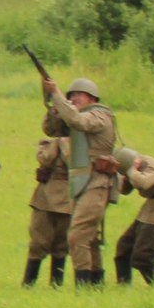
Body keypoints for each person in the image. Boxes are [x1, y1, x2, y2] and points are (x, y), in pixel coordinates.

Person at [43, 77, 119, 286]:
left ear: (92, 97)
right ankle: (95, 285)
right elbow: (50, 129)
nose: (74, 98)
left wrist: (58, 95)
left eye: (79, 94)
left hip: (97, 182)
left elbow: (78, 122)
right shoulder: (76, 115)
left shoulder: (100, 115)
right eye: (71, 95)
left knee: (77, 236)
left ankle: (83, 285)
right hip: (80, 181)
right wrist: (52, 102)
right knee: (90, 237)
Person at [109, 146, 154, 288]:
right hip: (150, 208)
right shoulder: (135, 169)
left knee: (143, 258)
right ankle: (123, 287)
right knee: (123, 248)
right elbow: (126, 190)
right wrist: (120, 178)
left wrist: (131, 171)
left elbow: (144, 183)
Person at [23, 134, 73, 288]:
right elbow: (45, 159)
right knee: (38, 241)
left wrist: (65, 143)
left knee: (61, 244)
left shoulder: (79, 144)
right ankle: (28, 283)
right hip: (44, 197)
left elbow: (72, 162)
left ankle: (56, 284)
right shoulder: (47, 143)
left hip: (68, 197)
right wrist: (57, 142)